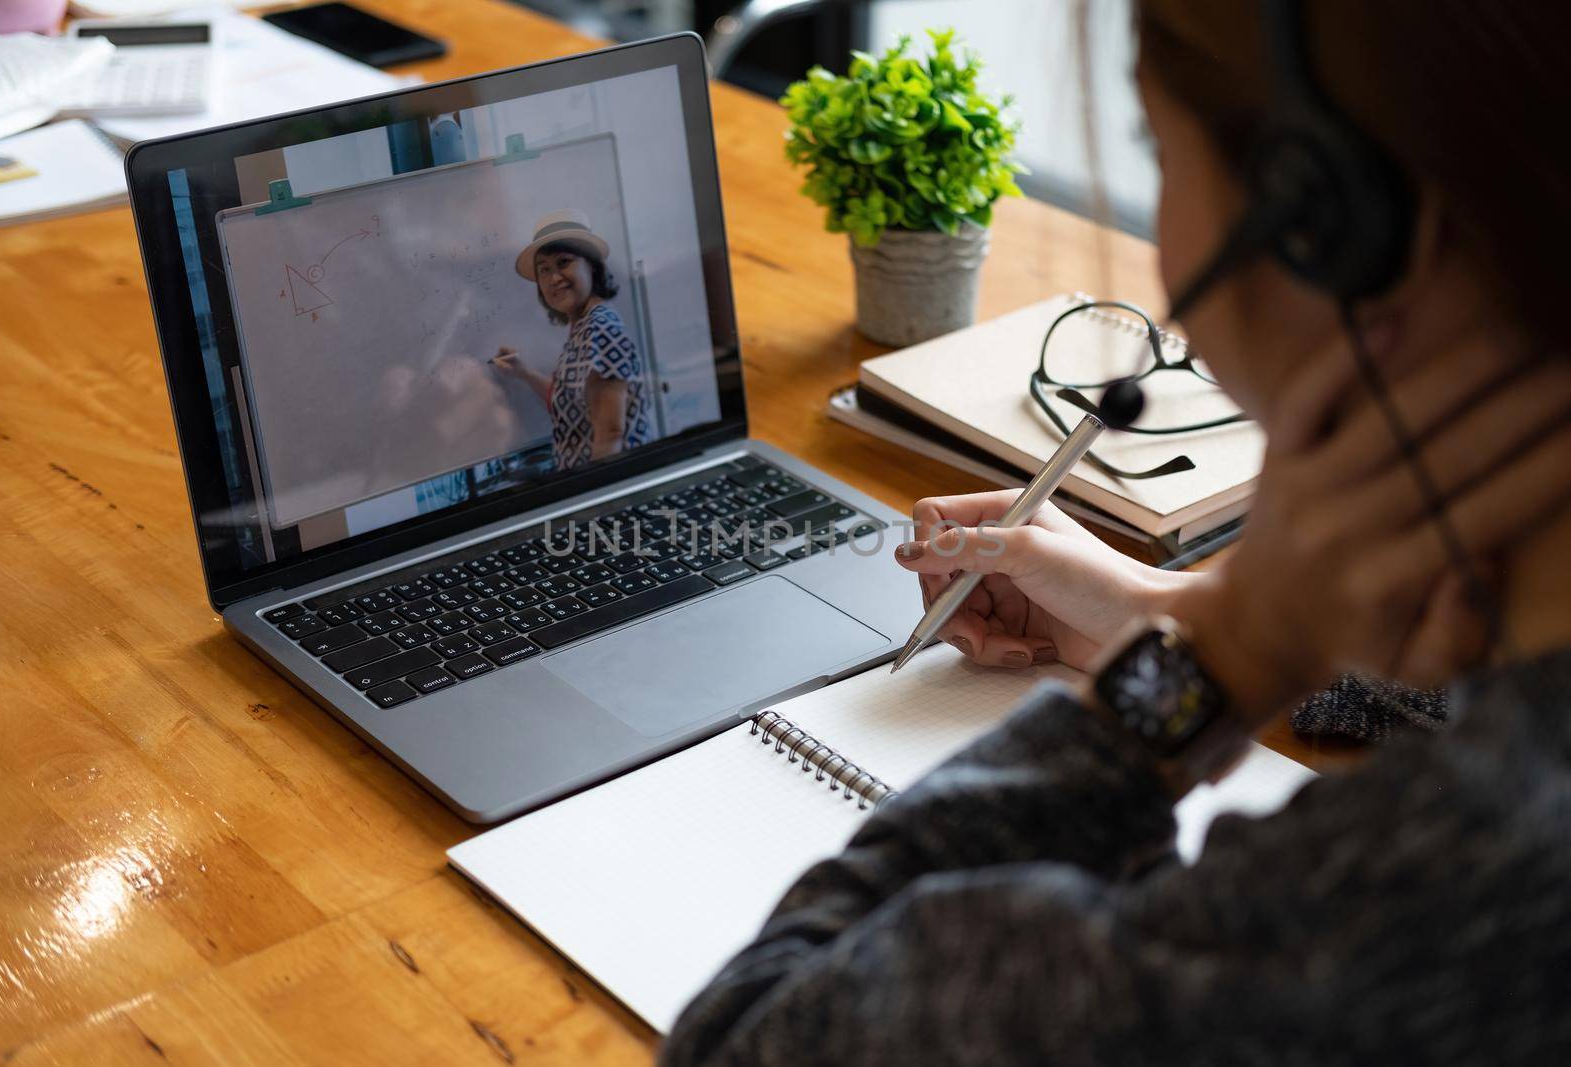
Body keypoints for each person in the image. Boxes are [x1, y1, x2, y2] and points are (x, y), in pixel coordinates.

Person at [660, 2, 1571, 1063]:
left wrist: (1211, 656)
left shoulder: (1379, 925)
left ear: (1324, 222)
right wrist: (1168, 609)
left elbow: (744, 1040)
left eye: (1154, 149)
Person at [489, 209, 653, 470]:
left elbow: (610, 435)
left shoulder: (601, 329)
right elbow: (570, 399)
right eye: (544, 270)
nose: (554, 278)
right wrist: (524, 372)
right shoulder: (584, 329)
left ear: (592, 265)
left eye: (564, 262)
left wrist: (594, 501)